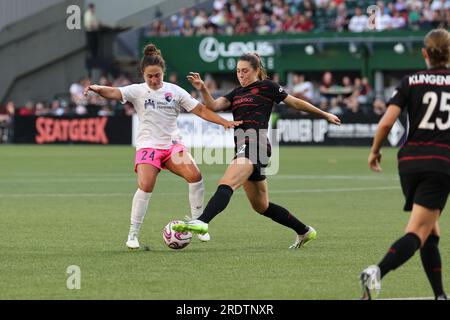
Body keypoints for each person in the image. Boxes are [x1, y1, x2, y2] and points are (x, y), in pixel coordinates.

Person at [172, 53, 341, 248]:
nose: (241, 75)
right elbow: (214, 105)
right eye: (238, 71)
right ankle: (304, 231)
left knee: (227, 181)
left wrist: (324, 114)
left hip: (256, 144)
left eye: (245, 71)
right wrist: (202, 89)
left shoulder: (267, 87)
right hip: (244, 145)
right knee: (261, 206)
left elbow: (294, 102)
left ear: (257, 71)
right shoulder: (236, 92)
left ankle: (202, 221)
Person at [83, 44, 241, 249]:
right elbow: (114, 92)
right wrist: (97, 88)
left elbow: (201, 110)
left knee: (195, 177)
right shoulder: (137, 90)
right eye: (149, 76)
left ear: (162, 73)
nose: (154, 80)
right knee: (146, 185)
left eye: (157, 75)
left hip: (173, 146)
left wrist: (224, 122)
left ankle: (197, 224)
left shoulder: (175, 91)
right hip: (148, 146)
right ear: (143, 74)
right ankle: (133, 234)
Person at [360, 29, 450, 300]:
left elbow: (387, 122)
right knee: (418, 231)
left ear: (425, 53)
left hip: (409, 162)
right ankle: (376, 271)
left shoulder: (410, 81)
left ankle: (440, 295)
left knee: (430, 230)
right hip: (440, 162)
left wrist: (374, 151)